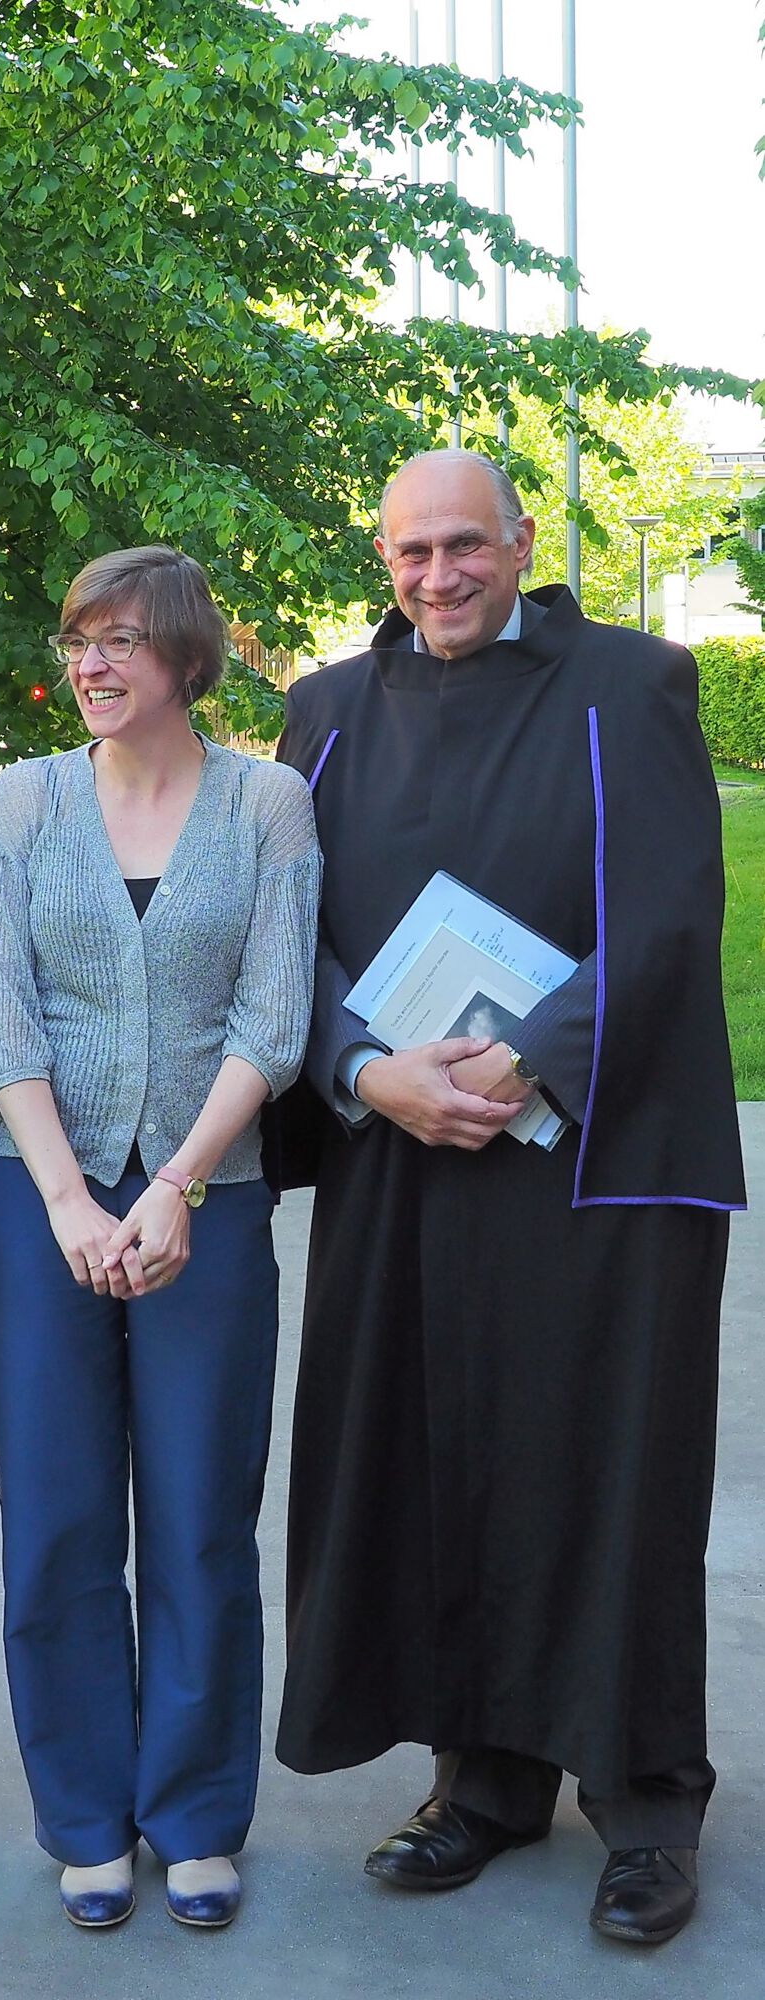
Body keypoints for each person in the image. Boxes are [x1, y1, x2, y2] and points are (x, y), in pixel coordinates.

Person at [271, 449, 744, 1946]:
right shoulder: (328, 715)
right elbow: (291, 941)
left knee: (605, 1470)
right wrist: (362, 1069)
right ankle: (481, 1780)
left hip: (592, 1155)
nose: (434, 576)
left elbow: (668, 905)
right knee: (440, 1463)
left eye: (462, 546)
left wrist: (530, 1066)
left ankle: (645, 1798)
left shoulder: (631, 682)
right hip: (403, 1152)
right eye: (408, 552)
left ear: (521, 541)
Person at [0, 546, 319, 1930]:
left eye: (121, 642)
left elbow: (271, 1020)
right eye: (79, 642)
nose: (93, 666)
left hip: (205, 1204)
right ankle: (87, 1819)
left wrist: (174, 1184)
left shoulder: (268, 804)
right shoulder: (21, 801)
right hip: (32, 1191)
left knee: (197, 1523)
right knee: (53, 1523)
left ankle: (195, 1812)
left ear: (185, 658)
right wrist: (64, 1198)